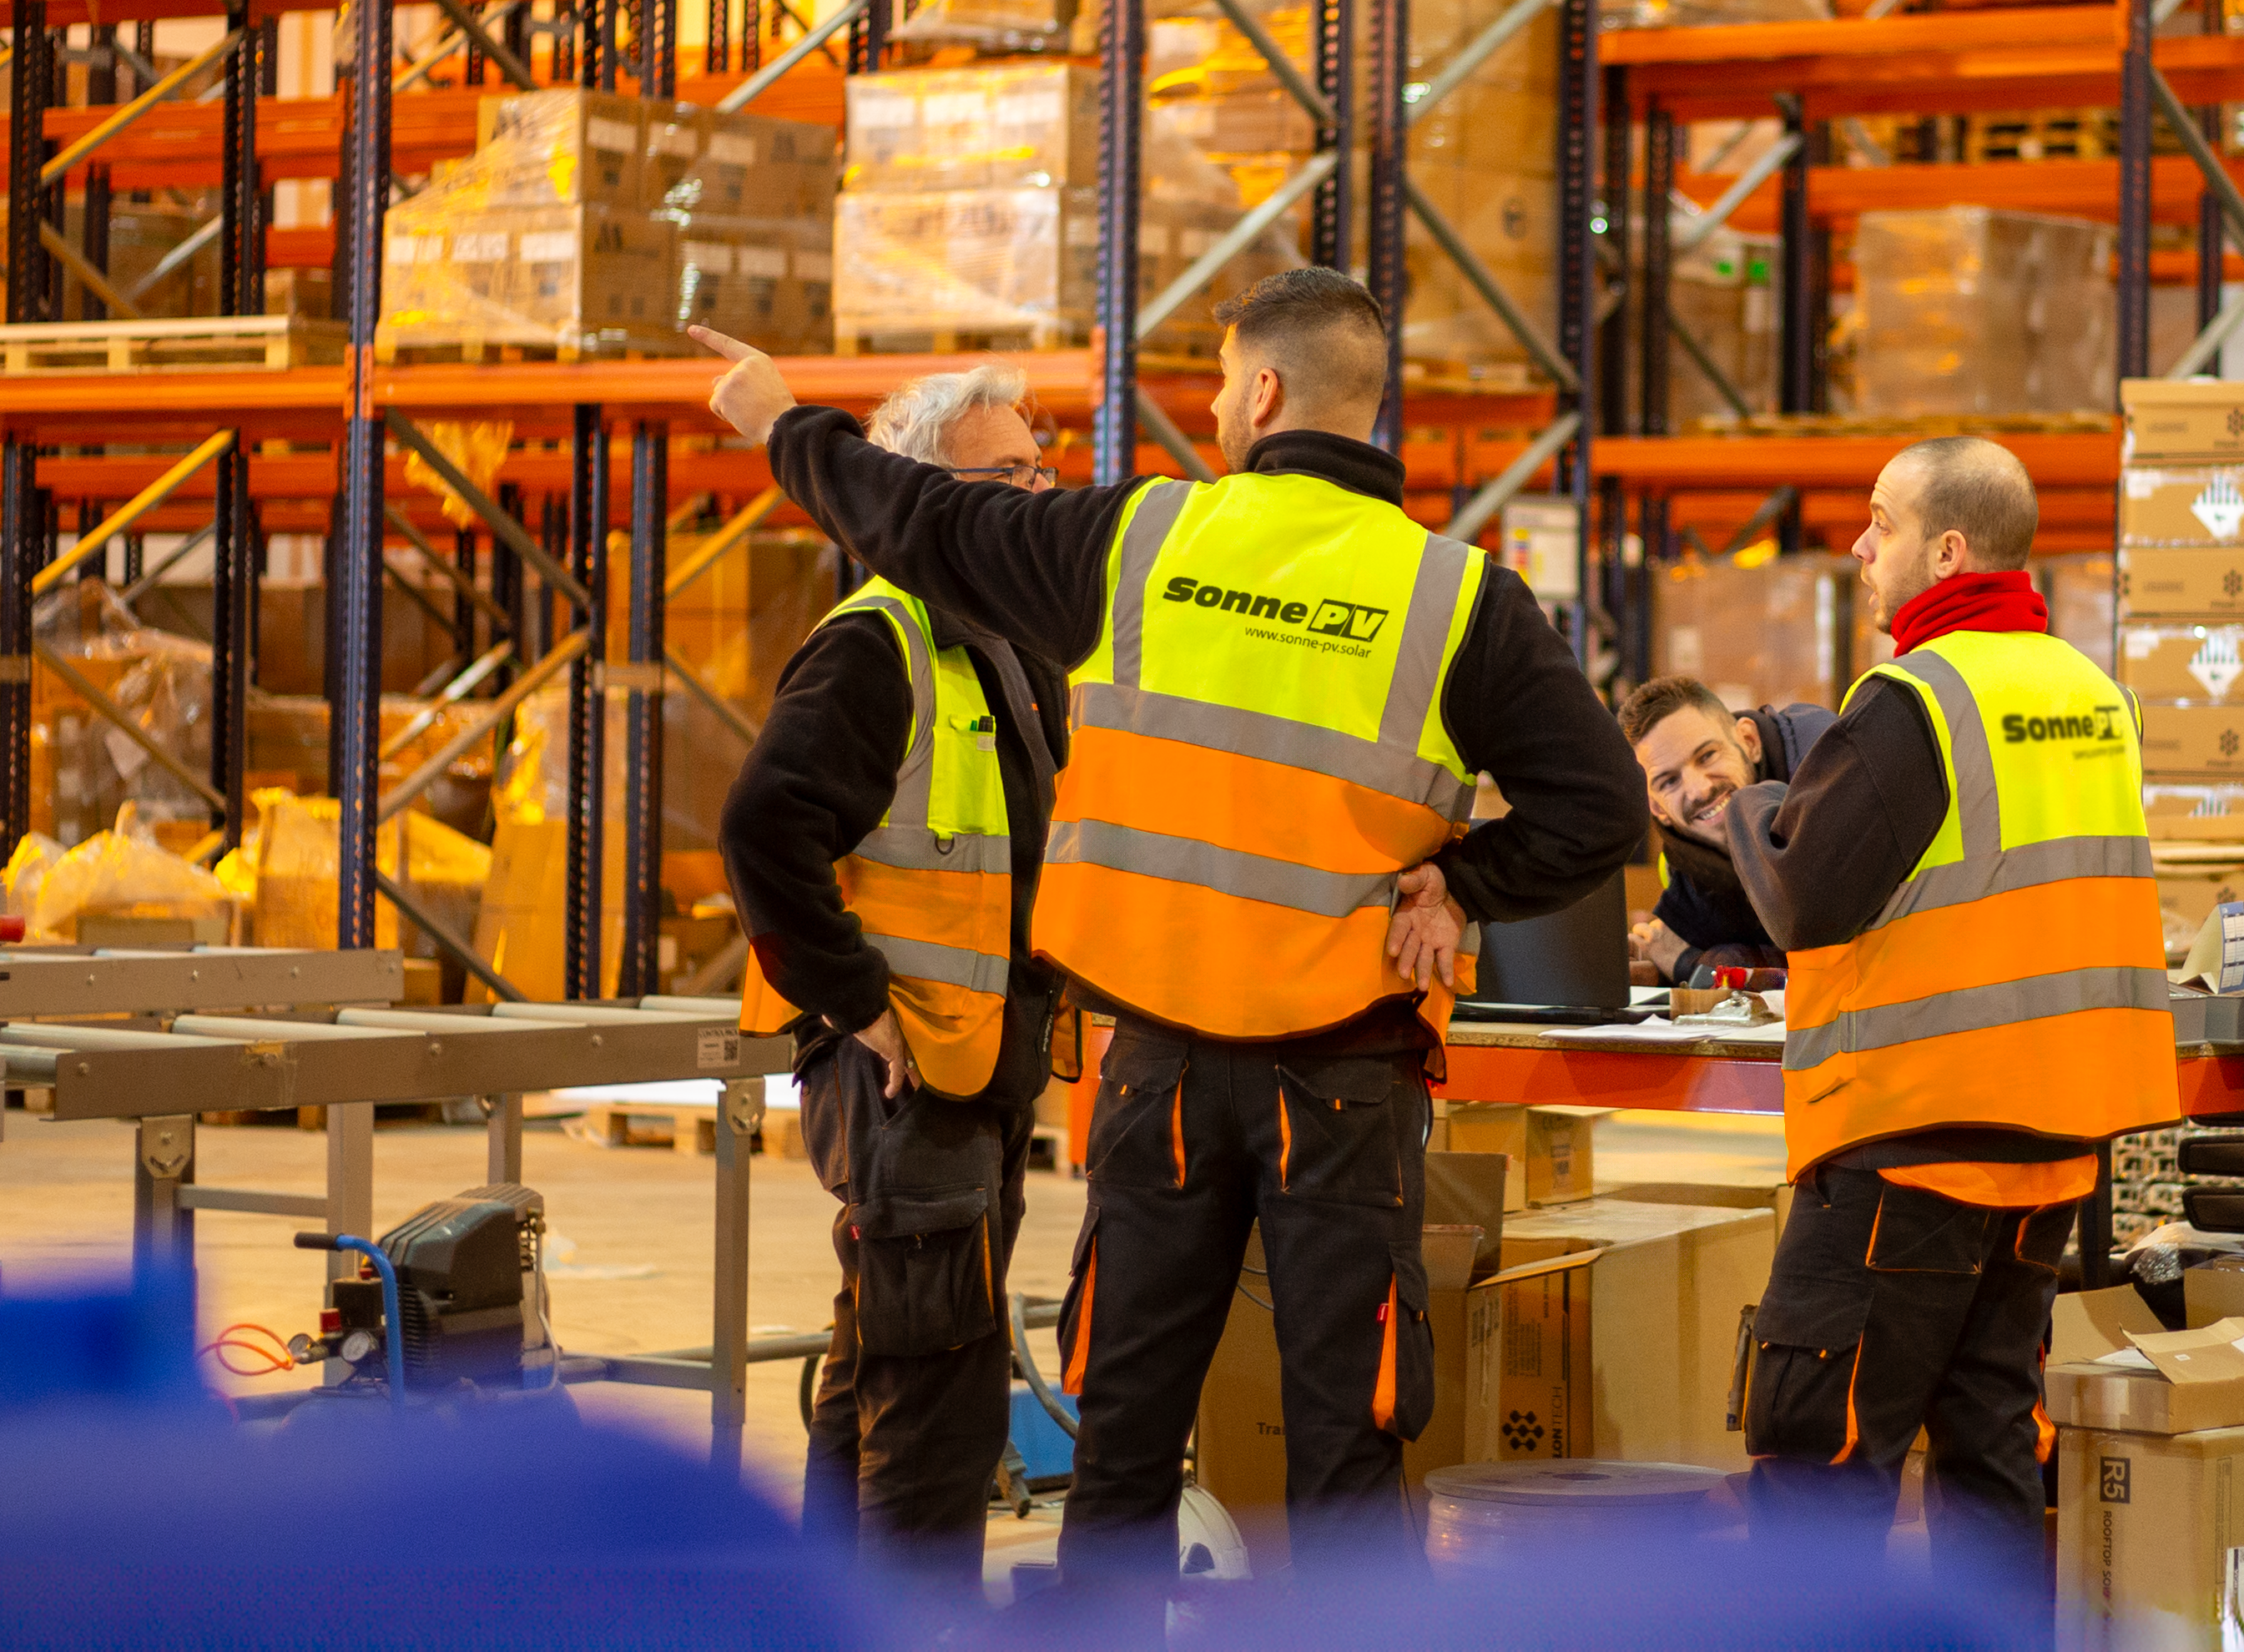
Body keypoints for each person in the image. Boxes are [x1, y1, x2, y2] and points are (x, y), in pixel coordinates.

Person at [692, 270, 1648, 1593]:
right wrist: (1467, 884)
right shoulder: (1458, 597)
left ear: (1262, 392)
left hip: (1160, 1080)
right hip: (1345, 1083)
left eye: (1215, 381)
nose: (1208, 404)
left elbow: (917, 516)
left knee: (1129, 1432)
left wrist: (787, 422)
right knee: (1348, 1438)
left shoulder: (1145, 542)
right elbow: (1603, 806)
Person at [1720, 436, 2176, 1584]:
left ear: (1950, 546)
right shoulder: (2092, 693)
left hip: (1910, 1147)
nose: (1863, 545)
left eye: (1882, 520)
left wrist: (1749, 802)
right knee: (1990, 1462)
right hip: (2050, 1155)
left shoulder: (1918, 697)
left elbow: (1802, 900)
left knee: (1817, 1459)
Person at [721, 364, 1065, 1598]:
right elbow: (764, 828)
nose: (1031, 501)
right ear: (915, 493)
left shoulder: (1003, 646)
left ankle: (823, 1611)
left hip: (976, 1064)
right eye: (1005, 477)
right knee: (938, 1388)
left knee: (884, 1359)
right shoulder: (883, 641)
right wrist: (856, 999)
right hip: (905, 1071)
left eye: (1040, 472)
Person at [1612, 676, 1829, 986]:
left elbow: (1823, 973)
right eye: (1669, 782)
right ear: (1658, 808)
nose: (1700, 789)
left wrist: (1690, 965)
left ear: (1749, 742)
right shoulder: (1684, 866)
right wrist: (1652, 968)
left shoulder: (1828, 779)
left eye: (1707, 756)